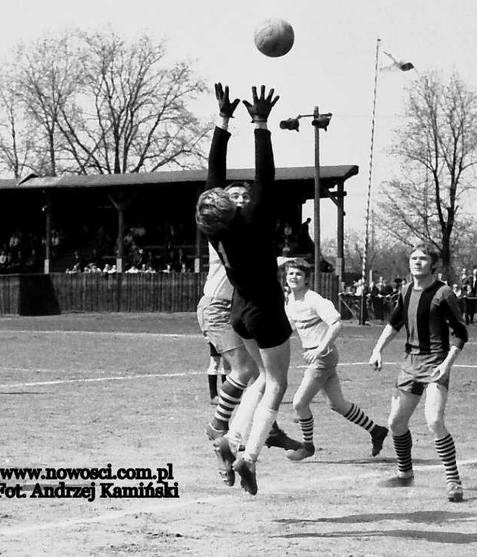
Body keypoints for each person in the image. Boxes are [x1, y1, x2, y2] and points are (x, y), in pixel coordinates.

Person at [196, 83, 294, 495]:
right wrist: (260, 124)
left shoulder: (219, 231)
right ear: (230, 205)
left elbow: (213, 177)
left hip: (240, 310)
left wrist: (225, 121)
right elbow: (265, 177)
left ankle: (229, 438)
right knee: (276, 384)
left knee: (254, 379)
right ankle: (249, 456)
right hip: (263, 310)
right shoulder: (251, 221)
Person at [368, 243, 468, 502]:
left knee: (434, 421)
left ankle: (453, 481)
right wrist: (377, 349)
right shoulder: (405, 291)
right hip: (410, 363)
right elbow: (394, 323)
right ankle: (405, 474)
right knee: (395, 423)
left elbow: (461, 332)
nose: (417, 262)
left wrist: (447, 364)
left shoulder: (443, 293)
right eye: (414, 258)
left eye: (423, 258)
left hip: (436, 363)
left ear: (433, 264)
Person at [282, 259, 388, 460]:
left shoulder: (313, 299)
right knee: (337, 404)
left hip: (323, 357)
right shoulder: (291, 302)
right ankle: (376, 431)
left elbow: (336, 324)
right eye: (290, 274)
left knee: (299, 403)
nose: (293, 277)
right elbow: (288, 329)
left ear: (306, 280)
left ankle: (307, 446)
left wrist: (320, 348)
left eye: (298, 274)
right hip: (317, 356)